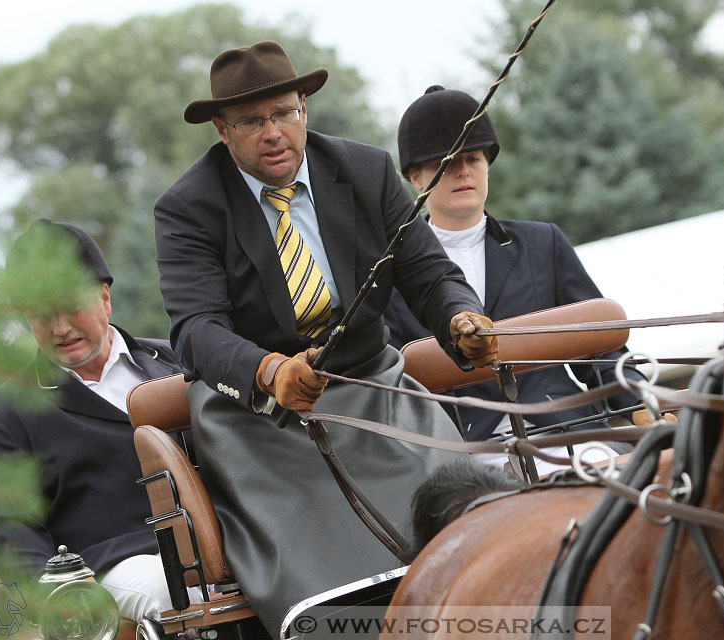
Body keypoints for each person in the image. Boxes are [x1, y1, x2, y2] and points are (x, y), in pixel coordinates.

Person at [153, 41, 497, 637]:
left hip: (375, 387)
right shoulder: (188, 208)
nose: (273, 132)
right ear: (221, 129)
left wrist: (462, 320)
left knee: (471, 526)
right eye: (252, 122)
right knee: (325, 578)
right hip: (257, 420)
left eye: (284, 113)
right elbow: (195, 331)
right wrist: (269, 373)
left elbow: (430, 275)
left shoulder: (365, 171)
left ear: (304, 109)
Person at [386, 86, 660, 474]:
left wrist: (638, 404)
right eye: (447, 163)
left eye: (474, 159)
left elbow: (598, 344)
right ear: (416, 176)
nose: (464, 171)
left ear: (487, 165)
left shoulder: (541, 241)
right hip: (468, 450)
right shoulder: (396, 273)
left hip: (567, 431)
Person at [0, 220, 198, 624]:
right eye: (42, 316)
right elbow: (9, 525)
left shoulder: (179, 364)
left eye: (71, 307)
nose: (60, 328)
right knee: (168, 588)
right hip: (113, 566)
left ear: (105, 297)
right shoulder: (8, 412)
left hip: (222, 539)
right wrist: (55, 591)